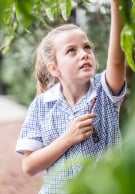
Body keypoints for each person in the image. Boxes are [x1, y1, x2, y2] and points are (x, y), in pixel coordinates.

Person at [16, 0, 126, 193]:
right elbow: (29, 166)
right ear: (54, 68)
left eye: (87, 47)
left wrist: (118, 4)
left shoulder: (105, 90)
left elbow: (117, 60)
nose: (83, 54)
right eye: (71, 51)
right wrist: (68, 138)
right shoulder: (41, 105)